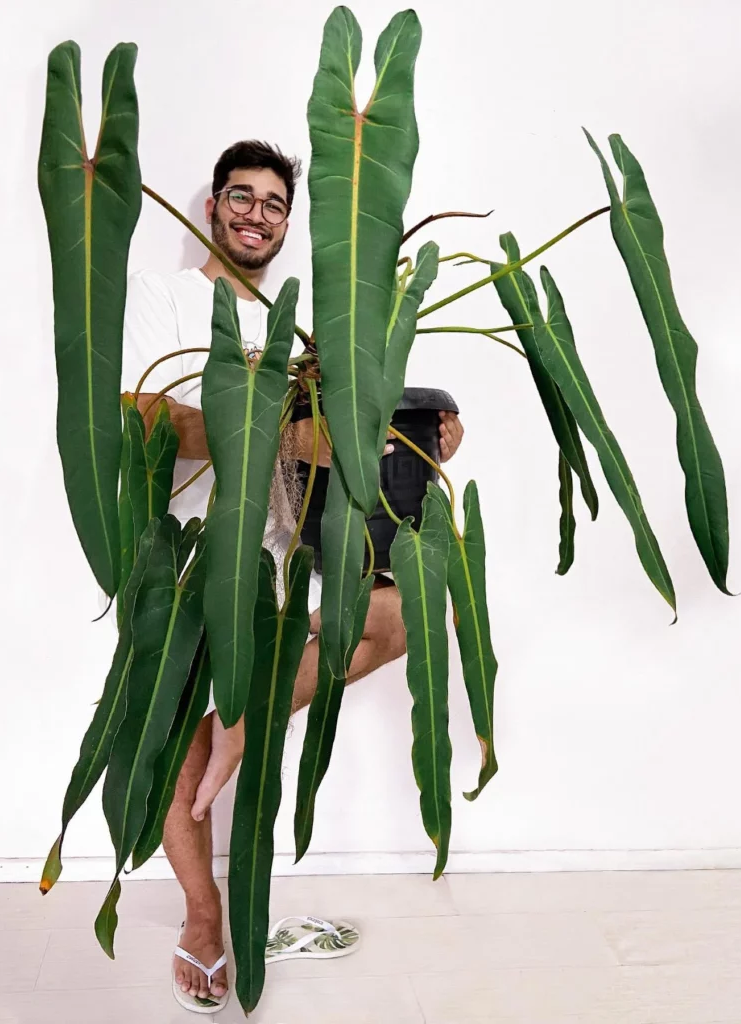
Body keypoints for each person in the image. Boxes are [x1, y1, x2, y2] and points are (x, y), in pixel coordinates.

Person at [121, 140, 465, 1009]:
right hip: (186, 546)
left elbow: (341, 430)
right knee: (168, 724)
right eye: (241, 197)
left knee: (398, 618)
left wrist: (416, 436)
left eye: (274, 205)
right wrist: (282, 433)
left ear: (284, 223)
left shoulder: (291, 323)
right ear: (213, 207)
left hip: (280, 552)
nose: (256, 215)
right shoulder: (167, 295)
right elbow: (147, 415)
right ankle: (204, 917)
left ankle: (246, 724)